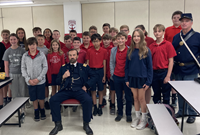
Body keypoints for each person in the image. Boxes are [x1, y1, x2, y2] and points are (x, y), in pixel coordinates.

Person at [49, 49, 96, 135]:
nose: (72, 57)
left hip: (79, 90)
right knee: (53, 100)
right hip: (66, 90)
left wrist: (86, 85)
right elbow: (57, 81)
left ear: (77, 56)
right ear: (68, 57)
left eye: (74, 55)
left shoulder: (84, 67)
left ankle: (86, 124)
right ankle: (58, 124)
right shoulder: (63, 67)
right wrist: (63, 77)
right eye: (70, 55)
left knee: (88, 100)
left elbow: (94, 77)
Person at [172, 13, 200, 124]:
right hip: (178, 68)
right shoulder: (176, 37)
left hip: (191, 68)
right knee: (180, 92)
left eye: (186, 21)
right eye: (182, 21)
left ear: (191, 23)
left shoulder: (198, 36)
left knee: (190, 93)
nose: (184, 23)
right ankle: (182, 111)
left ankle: (192, 113)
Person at [125, 29, 153, 129]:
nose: (136, 38)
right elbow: (127, 66)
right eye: (134, 36)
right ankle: (136, 118)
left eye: (138, 36)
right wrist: (126, 79)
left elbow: (150, 68)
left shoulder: (146, 50)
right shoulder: (130, 50)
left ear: (142, 37)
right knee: (135, 99)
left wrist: (149, 81)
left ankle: (144, 119)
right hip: (132, 78)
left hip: (142, 78)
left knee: (142, 99)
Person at [21, 37, 48, 121]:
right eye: (30, 45)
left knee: (41, 97)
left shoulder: (41, 54)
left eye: (33, 44)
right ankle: (36, 111)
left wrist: (39, 79)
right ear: (27, 46)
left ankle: (42, 110)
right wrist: (28, 79)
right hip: (30, 81)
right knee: (34, 97)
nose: (32, 46)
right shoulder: (25, 56)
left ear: (36, 45)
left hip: (40, 81)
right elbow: (23, 68)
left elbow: (45, 67)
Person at [149, 24, 176, 104]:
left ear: (163, 32)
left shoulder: (168, 45)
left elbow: (171, 61)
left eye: (159, 31)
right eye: (155, 31)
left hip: (165, 72)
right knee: (156, 94)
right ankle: (157, 112)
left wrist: (168, 76)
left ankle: (166, 111)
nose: (157, 33)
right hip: (154, 73)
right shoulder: (151, 46)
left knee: (166, 94)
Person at [110, 32, 133, 122]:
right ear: (116, 40)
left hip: (126, 77)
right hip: (116, 76)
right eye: (118, 39)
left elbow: (131, 64)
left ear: (126, 40)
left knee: (128, 97)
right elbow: (111, 62)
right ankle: (120, 113)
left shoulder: (129, 50)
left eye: (122, 38)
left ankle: (128, 114)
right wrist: (112, 74)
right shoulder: (113, 50)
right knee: (119, 96)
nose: (120, 40)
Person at [3, 33, 26, 113]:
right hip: (12, 74)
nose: (13, 41)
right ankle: (16, 109)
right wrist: (7, 77)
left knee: (22, 91)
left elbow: (25, 63)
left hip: (21, 74)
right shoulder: (7, 51)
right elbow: (6, 65)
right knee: (14, 92)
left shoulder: (22, 50)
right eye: (11, 39)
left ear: (17, 40)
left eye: (14, 39)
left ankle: (23, 108)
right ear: (9, 41)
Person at [164, 10, 183, 107]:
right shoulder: (167, 29)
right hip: (169, 56)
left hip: (179, 56)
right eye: (174, 17)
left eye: (178, 18)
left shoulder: (183, 29)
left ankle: (175, 97)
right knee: (170, 76)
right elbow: (165, 42)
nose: (176, 19)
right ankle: (172, 97)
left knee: (176, 77)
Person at [86, 33, 106, 116]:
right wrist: (87, 74)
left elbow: (104, 63)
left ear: (100, 41)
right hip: (91, 71)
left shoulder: (104, 51)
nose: (96, 43)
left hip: (100, 71)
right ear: (92, 42)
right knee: (93, 90)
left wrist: (104, 75)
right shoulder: (89, 51)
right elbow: (87, 63)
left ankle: (100, 106)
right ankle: (95, 106)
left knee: (101, 90)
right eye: (94, 41)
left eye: (97, 41)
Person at [135, 25, 154, 104]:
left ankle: (147, 104)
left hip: (145, 67)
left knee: (147, 88)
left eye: (139, 31)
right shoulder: (133, 45)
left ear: (144, 31)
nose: (136, 36)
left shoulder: (150, 40)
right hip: (137, 69)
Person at [102, 34, 115, 114]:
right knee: (103, 85)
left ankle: (111, 100)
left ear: (110, 40)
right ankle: (103, 99)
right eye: (105, 39)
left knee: (111, 87)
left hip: (110, 71)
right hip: (103, 71)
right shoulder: (101, 49)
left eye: (108, 39)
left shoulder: (112, 49)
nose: (106, 41)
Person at [36, 34, 50, 109]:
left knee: (45, 87)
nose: (40, 41)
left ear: (44, 41)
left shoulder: (47, 50)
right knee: (38, 87)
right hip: (36, 72)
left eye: (42, 39)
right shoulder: (34, 49)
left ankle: (46, 101)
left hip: (45, 71)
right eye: (38, 39)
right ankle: (38, 101)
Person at [1, 29, 11, 106]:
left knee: (9, 82)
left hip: (10, 67)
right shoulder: (0, 44)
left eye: (6, 35)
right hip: (2, 68)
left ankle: (9, 97)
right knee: (3, 83)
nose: (5, 36)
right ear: (1, 36)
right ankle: (4, 97)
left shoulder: (11, 44)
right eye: (3, 35)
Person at [0, 42, 6, 109]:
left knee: (1, 87)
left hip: (1, 70)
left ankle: (1, 104)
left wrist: (1, 66)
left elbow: (4, 57)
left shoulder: (1, 45)